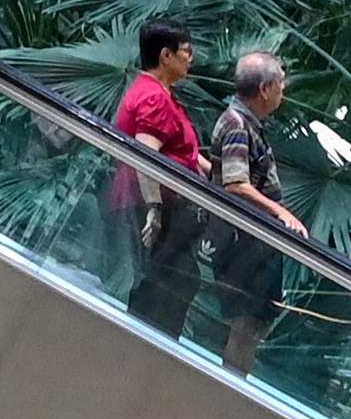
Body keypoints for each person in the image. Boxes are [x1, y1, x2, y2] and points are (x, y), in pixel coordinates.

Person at [206, 51, 306, 375]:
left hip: (252, 245)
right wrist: (280, 213)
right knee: (245, 325)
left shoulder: (246, 123)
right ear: (264, 88)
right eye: (279, 83)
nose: (283, 90)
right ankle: (231, 388)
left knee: (252, 326)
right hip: (243, 245)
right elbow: (236, 183)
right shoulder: (237, 125)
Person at [112, 21, 207, 339]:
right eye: (186, 52)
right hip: (151, 202)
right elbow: (146, 153)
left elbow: (183, 149)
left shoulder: (163, 95)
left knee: (176, 278)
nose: (190, 59)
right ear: (166, 56)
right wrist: (154, 207)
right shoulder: (153, 97)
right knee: (170, 280)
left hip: (164, 202)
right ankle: (148, 344)